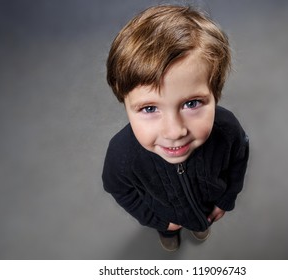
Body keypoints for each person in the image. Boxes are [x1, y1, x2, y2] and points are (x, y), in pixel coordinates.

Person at [102, 4, 249, 252]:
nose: (174, 131)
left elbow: (238, 161)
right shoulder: (121, 153)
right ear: (124, 103)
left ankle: (200, 225)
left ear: (215, 95)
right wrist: (159, 221)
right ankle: (171, 233)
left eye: (192, 104)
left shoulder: (228, 131)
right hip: (165, 217)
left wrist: (226, 199)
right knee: (169, 231)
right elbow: (118, 188)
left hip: (207, 207)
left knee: (202, 223)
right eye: (149, 109)